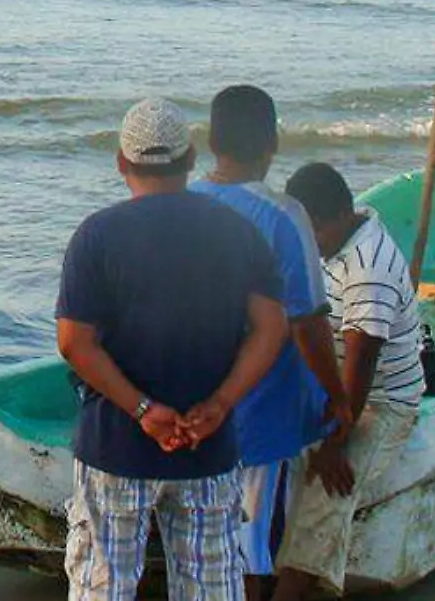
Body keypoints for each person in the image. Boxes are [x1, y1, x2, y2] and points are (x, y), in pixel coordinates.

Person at [57, 97, 288, 601]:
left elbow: (75, 344)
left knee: (105, 583)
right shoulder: (238, 232)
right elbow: (271, 329)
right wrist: (221, 402)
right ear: (191, 160)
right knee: (208, 585)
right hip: (209, 442)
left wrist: (144, 411)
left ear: (121, 162)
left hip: (117, 445)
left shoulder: (97, 236)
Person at [189, 85, 346, 592]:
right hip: (263, 412)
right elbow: (308, 324)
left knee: (204, 543)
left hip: (191, 406)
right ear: (272, 142)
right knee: (254, 550)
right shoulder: (282, 215)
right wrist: (337, 397)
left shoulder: (182, 205)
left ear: (211, 140)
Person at [273, 163, 424, 601]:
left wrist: (337, 443)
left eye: (314, 233)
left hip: (379, 400)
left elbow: (361, 367)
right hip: (330, 383)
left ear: (339, 217)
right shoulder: (333, 239)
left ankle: (295, 585)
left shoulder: (368, 270)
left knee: (325, 492)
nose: (309, 244)